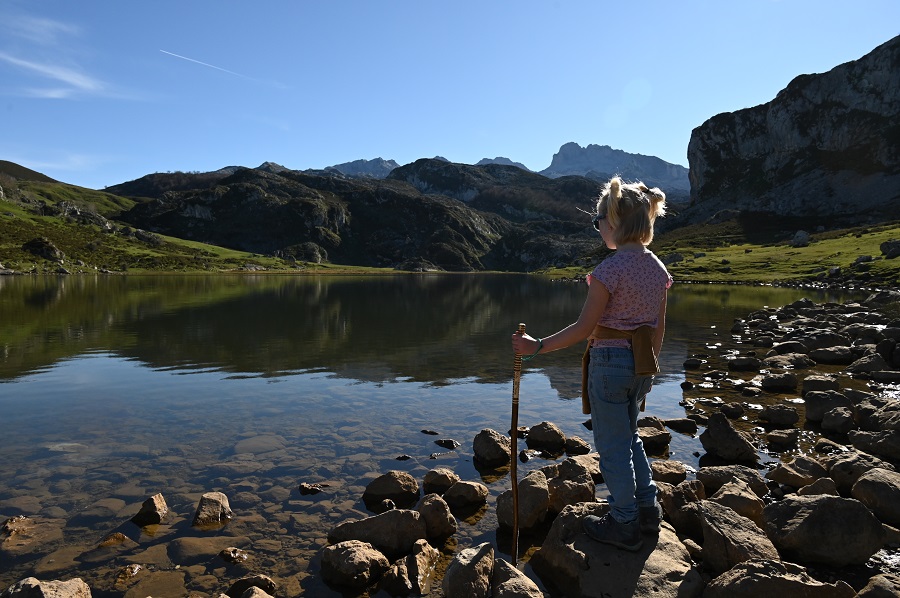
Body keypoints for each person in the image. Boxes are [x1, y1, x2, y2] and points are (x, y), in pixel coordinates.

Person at [511, 176, 671, 552]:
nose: (598, 228)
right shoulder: (658, 270)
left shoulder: (609, 271)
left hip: (610, 364)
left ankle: (624, 522)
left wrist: (538, 347)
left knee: (613, 446)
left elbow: (585, 328)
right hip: (643, 365)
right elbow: (659, 328)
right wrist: (648, 367)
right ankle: (648, 510)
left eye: (598, 221)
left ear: (612, 223)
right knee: (630, 438)